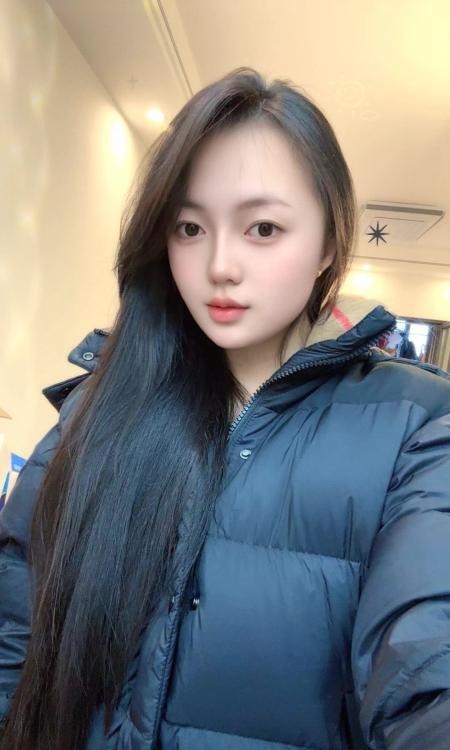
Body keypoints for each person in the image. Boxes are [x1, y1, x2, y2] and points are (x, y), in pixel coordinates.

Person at [1, 68, 449, 750]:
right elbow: (15, 635)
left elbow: (423, 664)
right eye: (189, 227)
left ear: (328, 244)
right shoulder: (98, 406)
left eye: (263, 228)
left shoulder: (415, 424)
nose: (218, 265)